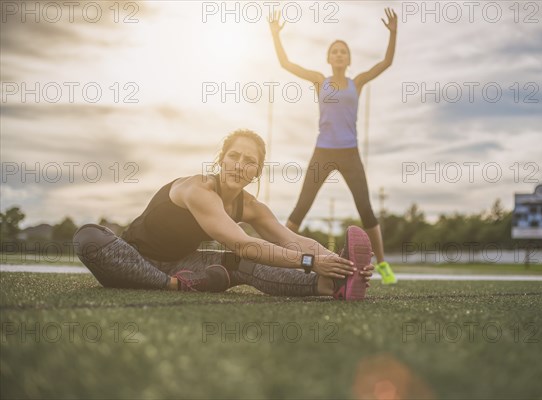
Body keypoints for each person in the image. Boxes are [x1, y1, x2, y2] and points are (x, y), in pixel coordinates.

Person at [73, 129, 373, 300]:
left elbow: (290, 239)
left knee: (241, 263)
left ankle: (330, 286)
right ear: (221, 160)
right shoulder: (198, 190)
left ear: (256, 172)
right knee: (88, 236)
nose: (239, 165)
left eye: (249, 161)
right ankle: (175, 285)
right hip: (135, 260)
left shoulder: (252, 206)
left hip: (182, 264)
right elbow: (243, 243)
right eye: (234, 156)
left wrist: (334, 263)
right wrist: (310, 262)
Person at [269, 8, 398, 284]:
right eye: (335, 51)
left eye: (343, 52)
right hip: (323, 151)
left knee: (367, 211)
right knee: (301, 207)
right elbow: (286, 64)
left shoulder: (358, 82)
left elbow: (386, 62)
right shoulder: (319, 80)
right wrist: (275, 35)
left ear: (348, 59)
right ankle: (277, 257)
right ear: (329, 58)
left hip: (349, 153)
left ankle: (384, 266)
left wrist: (393, 33)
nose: (339, 55)